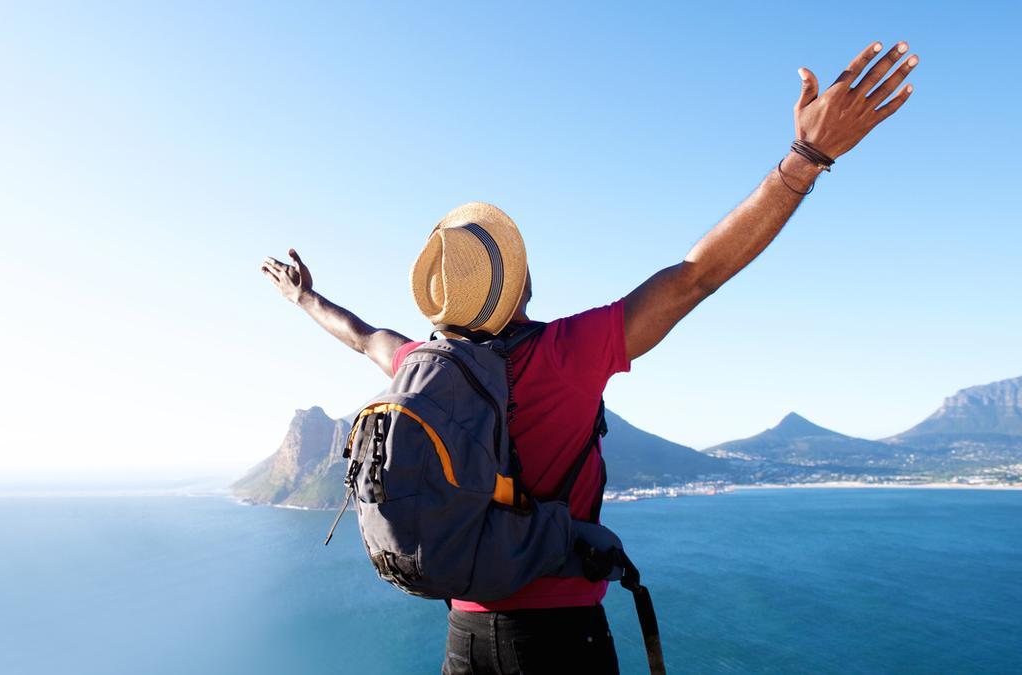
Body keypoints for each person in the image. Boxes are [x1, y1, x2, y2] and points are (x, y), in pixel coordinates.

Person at [261, 40, 917, 675]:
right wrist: (806, 156)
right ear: (519, 285)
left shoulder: (418, 365)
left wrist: (303, 298)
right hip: (559, 638)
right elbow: (696, 274)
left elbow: (359, 332)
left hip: (464, 639)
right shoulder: (566, 354)